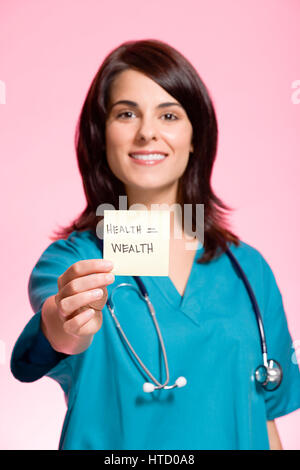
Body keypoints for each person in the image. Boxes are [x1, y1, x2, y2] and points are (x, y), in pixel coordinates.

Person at [11, 39, 300, 450]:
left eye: (169, 115)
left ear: (195, 136)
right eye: (126, 114)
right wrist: (68, 321)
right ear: (101, 134)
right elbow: (57, 331)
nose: (147, 132)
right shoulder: (77, 258)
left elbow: (265, 419)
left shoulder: (248, 269)